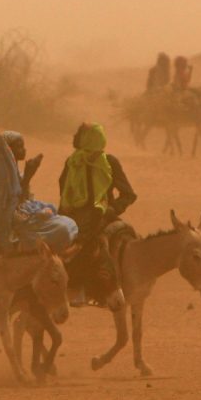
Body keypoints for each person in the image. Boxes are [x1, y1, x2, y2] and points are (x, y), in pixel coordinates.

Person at [58, 123, 137, 303]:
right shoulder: (72, 162)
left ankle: (98, 290)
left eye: (79, 134)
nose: (74, 137)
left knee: (93, 246)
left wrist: (113, 209)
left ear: (89, 138)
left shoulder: (109, 163)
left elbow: (128, 195)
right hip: (73, 215)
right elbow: (63, 191)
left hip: (101, 215)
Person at [0, 131, 77, 253]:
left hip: (27, 219)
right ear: (8, 151)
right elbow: (2, 215)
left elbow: (24, 198)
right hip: (13, 228)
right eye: (19, 147)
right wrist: (28, 177)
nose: (24, 150)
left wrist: (28, 176)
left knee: (70, 223)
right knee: (63, 230)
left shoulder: (16, 174)